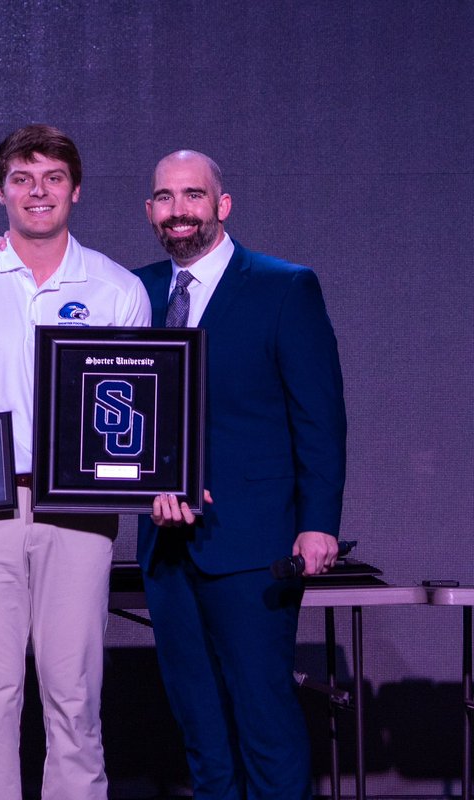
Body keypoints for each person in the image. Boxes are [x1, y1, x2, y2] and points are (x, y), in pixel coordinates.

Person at [0, 124, 150, 800]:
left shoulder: (117, 288)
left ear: (76, 189)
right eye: (22, 178)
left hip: (80, 510)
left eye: (51, 178)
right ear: (1, 192)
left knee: (74, 693)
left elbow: (137, 400)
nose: (37, 191)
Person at [136, 150, 346, 800]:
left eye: (193, 195)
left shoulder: (284, 287)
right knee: (200, 734)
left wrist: (317, 526)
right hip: (166, 551)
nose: (179, 210)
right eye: (165, 198)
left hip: (254, 548)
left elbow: (320, 418)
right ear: (150, 210)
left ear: (222, 206)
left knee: (266, 724)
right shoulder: (131, 291)